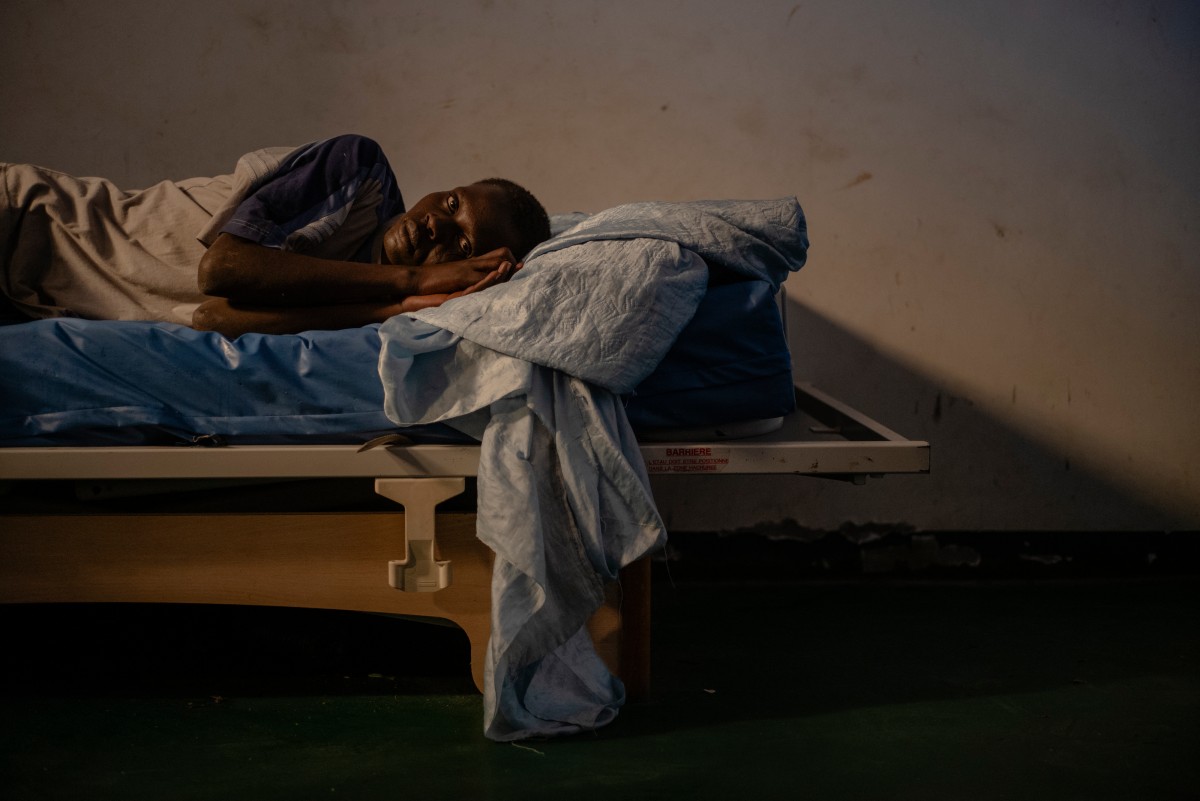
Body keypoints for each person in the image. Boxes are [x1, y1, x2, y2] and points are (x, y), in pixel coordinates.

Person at [0, 134, 551, 338]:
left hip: (26, 297)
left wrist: (397, 304)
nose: (436, 222)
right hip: (23, 219)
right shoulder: (359, 171)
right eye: (451, 203)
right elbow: (222, 269)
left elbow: (217, 315)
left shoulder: (373, 297)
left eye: (460, 244)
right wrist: (412, 276)